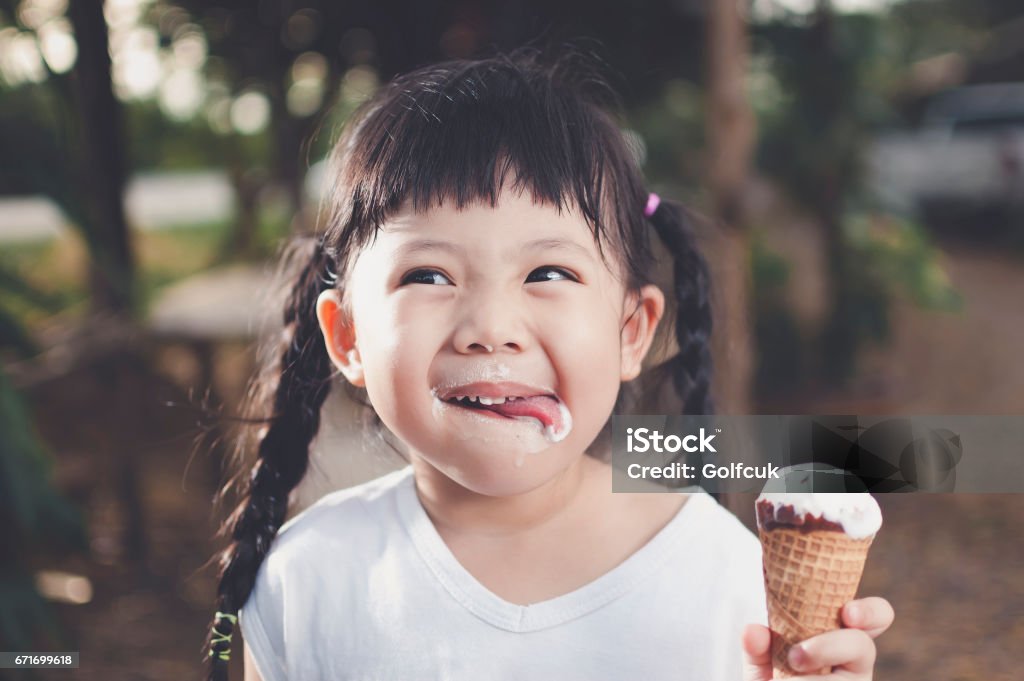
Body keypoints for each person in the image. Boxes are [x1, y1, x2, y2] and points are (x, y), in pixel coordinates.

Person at [204, 48, 893, 681]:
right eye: (429, 275)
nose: (490, 329)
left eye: (548, 270)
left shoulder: (731, 583)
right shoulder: (305, 581)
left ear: (632, 332)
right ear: (348, 335)